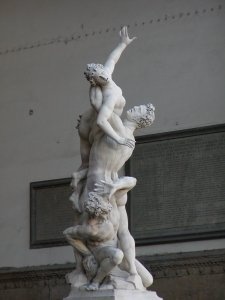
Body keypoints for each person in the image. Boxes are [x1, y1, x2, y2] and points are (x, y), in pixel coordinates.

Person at [65, 103, 155, 289]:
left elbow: (100, 106)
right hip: (111, 184)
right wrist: (115, 186)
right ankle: (131, 273)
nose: (134, 107)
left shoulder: (118, 129)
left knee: (84, 222)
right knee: (124, 235)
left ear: (139, 120)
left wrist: (105, 78)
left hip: (97, 186)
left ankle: (84, 272)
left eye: (138, 110)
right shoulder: (129, 141)